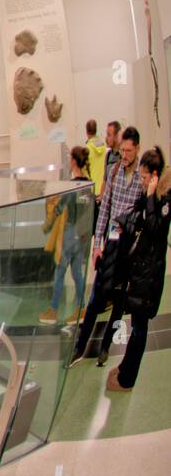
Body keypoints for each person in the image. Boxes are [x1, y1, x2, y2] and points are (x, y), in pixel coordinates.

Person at [73, 125, 142, 367]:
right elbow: (104, 211)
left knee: (120, 302)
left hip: (128, 247)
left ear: (137, 149)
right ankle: (80, 345)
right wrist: (96, 246)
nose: (124, 155)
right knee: (96, 299)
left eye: (129, 151)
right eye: (122, 150)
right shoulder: (113, 172)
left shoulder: (142, 178)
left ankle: (105, 347)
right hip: (110, 244)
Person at [100, 146, 168, 392]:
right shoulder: (148, 196)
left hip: (149, 276)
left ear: (155, 175)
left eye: (144, 177)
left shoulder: (163, 200)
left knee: (140, 328)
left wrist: (150, 197)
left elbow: (155, 229)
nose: (141, 181)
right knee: (137, 325)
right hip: (139, 272)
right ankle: (125, 367)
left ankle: (127, 379)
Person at [39, 146, 93, 326]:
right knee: (77, 272)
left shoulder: (72, 186)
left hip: (70, 234)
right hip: (83, 235)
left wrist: (49, 222)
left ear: (73, 162)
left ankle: (53, 310)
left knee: (60, 271)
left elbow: (61, 206)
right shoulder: (88, 184)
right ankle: (82, 307)